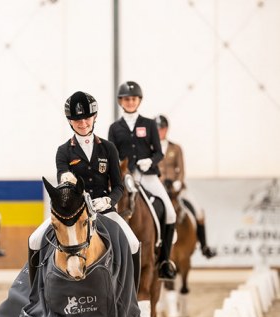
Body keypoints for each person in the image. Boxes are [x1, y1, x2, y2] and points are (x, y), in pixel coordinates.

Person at [28, 91, 140, 285]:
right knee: (34, 240)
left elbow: (119, 186)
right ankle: (35, 295)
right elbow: (62, 179)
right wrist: (66, 179)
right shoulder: (63, 151)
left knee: (133, 243)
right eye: (77, 119)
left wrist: (109, 200)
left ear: (94, 117)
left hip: (104, 211)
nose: (83, 123)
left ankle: (133, 295)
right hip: (74, 214)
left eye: (86, 118)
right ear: (70, 121)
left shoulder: (108, 148)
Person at [108, 81, 177, 280]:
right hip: (126, 178)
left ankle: (164, 261)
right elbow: (111, 155)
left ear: (139, 100)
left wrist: (150, 161)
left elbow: (159, 152)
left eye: (133, 99)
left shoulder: (148, 124)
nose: (130, 102)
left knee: (170, 212)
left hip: (148, 176)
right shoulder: (115, 128)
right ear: (121, 101)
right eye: (126, 99)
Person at [155, 115, 216, 259]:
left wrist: (177, 182)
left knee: (199, 211)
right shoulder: (151, 149)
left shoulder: (176, 148)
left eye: (162, 128)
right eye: (157, 129)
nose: (160, 131)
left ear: (166, 129)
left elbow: (181, 169)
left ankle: (204, 246)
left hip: (176, 189)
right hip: (158, 189)